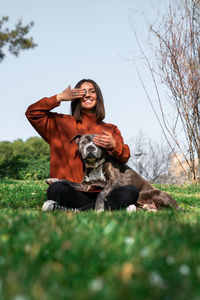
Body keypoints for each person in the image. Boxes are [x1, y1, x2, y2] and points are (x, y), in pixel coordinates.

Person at [25, 79, 139, 212]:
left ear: (98, 97)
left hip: (104, 193)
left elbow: (125, 157)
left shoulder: (110, 129)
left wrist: (114, 144)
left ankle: (72, 211)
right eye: (83, 92)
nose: (88, 95)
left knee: (131, 191)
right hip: (74, 192)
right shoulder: (59, 123)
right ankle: (106, 208)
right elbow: (32, 113)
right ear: (76, 97)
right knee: (56, 189)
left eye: (92, 91)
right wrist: (60, 97)